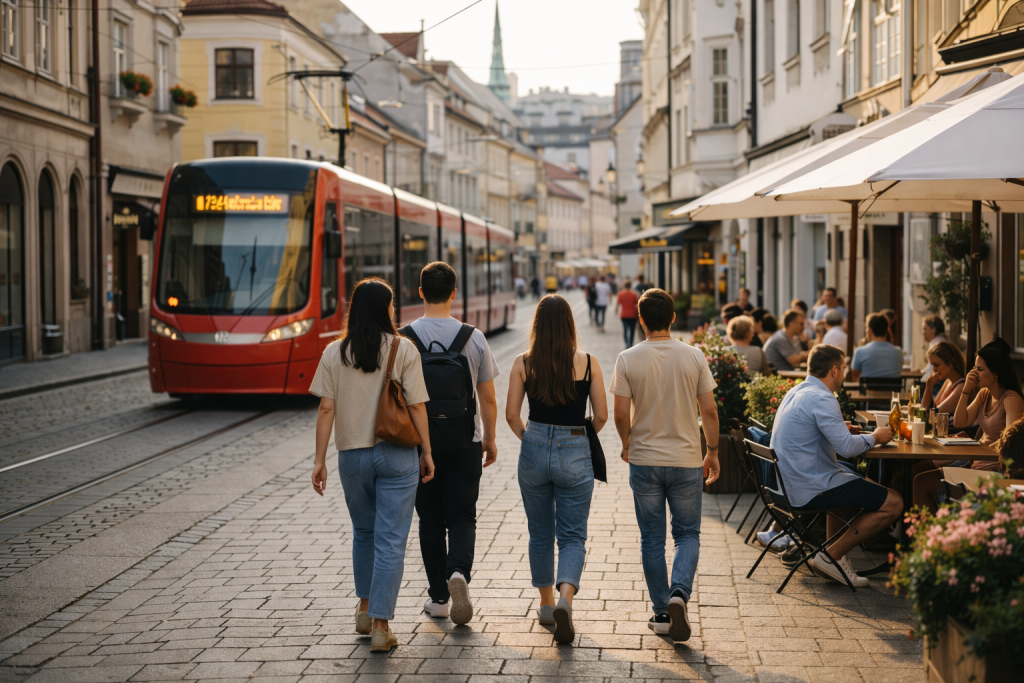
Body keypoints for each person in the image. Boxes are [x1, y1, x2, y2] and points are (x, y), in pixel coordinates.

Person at [309, 278, 434, 653]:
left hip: (351, 456)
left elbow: (326, 408)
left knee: (364, 533)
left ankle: (364, 609)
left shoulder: (334, 351)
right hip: (396, 453)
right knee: (391, 540)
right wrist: (426, 451)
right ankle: (381, 626)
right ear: (386, 309)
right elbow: (416, 406)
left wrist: (320, 460)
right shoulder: (404, 348)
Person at [610, 288, 721, 642]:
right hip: (687, 459)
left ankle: (661, 612)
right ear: (672, 318)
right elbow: (710, 411)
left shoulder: (627, 358)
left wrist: (627, 444)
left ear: (640, 318)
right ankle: (679, 595)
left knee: (652, 539)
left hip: (644, 460)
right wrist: (713, 450)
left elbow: (619, 413)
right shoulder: (693, 356)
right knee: (687, 533)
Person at [505, 294, 608, 645]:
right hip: (575, 447)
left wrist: (531, 439)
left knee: (539, 532)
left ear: (536, 325)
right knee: (573, 534)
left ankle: (547, 605)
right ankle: (566, 597)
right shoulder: (589, 363)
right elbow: (603, 416)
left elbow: (510, 415)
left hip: (533, 445)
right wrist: (577, 439)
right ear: (569, 324)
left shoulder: (522, 362)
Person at [402, 262, 500, 626]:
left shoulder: (404, 338)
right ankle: (458, 572)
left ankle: (439, 598)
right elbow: (487, 397)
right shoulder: (473, 337)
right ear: (454, 293)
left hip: (417, 444)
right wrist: (488, 437)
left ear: (421, 291)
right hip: (465, 441)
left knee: (430, 520)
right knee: (462, 515)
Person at [771, 344, 900, 586]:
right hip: (809, 489)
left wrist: (842, 428)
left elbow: (815, 431)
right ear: (833, 370)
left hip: (786, 488)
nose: (844, 373)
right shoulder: (822, 397)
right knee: (894, 502)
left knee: (856, 482)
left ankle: (833, 558)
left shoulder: (797, 391)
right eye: (842, 368)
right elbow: (847, 449)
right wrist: (876, 437)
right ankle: (831, 555)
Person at [914, 342, 1024, 510]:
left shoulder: (1011, 400)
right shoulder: (984, 393)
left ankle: (933, 533)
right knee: (918, 479)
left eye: (979, 369)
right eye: (974, 368)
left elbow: (1010, 445)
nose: (974, 373)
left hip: (994, 472)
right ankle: (934, 532)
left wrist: (978, 447)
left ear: (995, 373)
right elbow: (960, 422)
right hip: (976, 465)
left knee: (921, 483)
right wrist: (966, 390)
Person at [850, 314, 904, 380]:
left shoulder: (859, 351)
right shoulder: (898, 352)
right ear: (887, 330)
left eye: (866, 328)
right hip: (892, 390)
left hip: (868, 390)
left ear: (870, 330)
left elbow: (854, 375)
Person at [920, 341, 967, 414]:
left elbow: (934, 413)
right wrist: (928, 386)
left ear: (950, 363)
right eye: (932, 365)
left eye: (936, 365)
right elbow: (924, 409)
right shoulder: (948, 381)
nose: (934, 369)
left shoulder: (961, 387)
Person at [919, 315, 947, 383]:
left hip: (937, 383)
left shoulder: (937, 345)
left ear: (933, 330)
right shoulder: (938, 341)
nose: (922, 332)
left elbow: (931, 369)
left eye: (925, 329)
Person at [615, 280, 640, 348]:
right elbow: (637, 304)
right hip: (632, 314)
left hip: (624, 314)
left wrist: (616, 310)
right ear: (630, 286)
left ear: (624, 286)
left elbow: (618, 304)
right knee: (632, 330)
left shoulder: (620, 294)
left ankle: (627, 343)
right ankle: (631, 343)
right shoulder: (634, 294)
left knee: (625, 329)